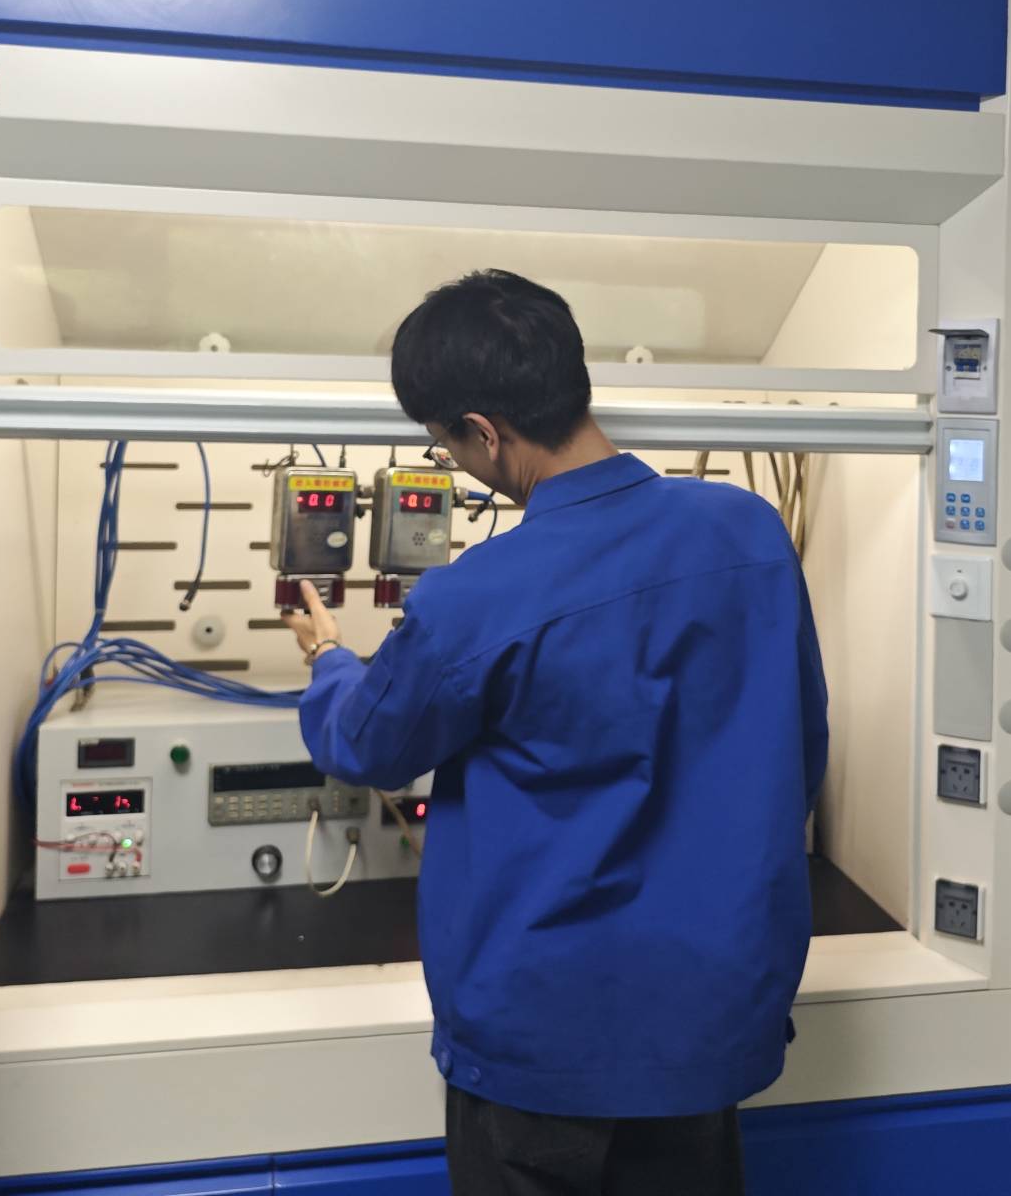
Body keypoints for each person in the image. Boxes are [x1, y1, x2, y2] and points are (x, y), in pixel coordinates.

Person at [290, 270, 829, 1196]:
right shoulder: (750, 534)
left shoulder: (478, 594)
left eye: (445, 442)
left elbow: (368, 744)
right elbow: (799, 744)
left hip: (544, 1042)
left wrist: (329, 658)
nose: (455, 460)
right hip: (711, 1015)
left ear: (484, 432)